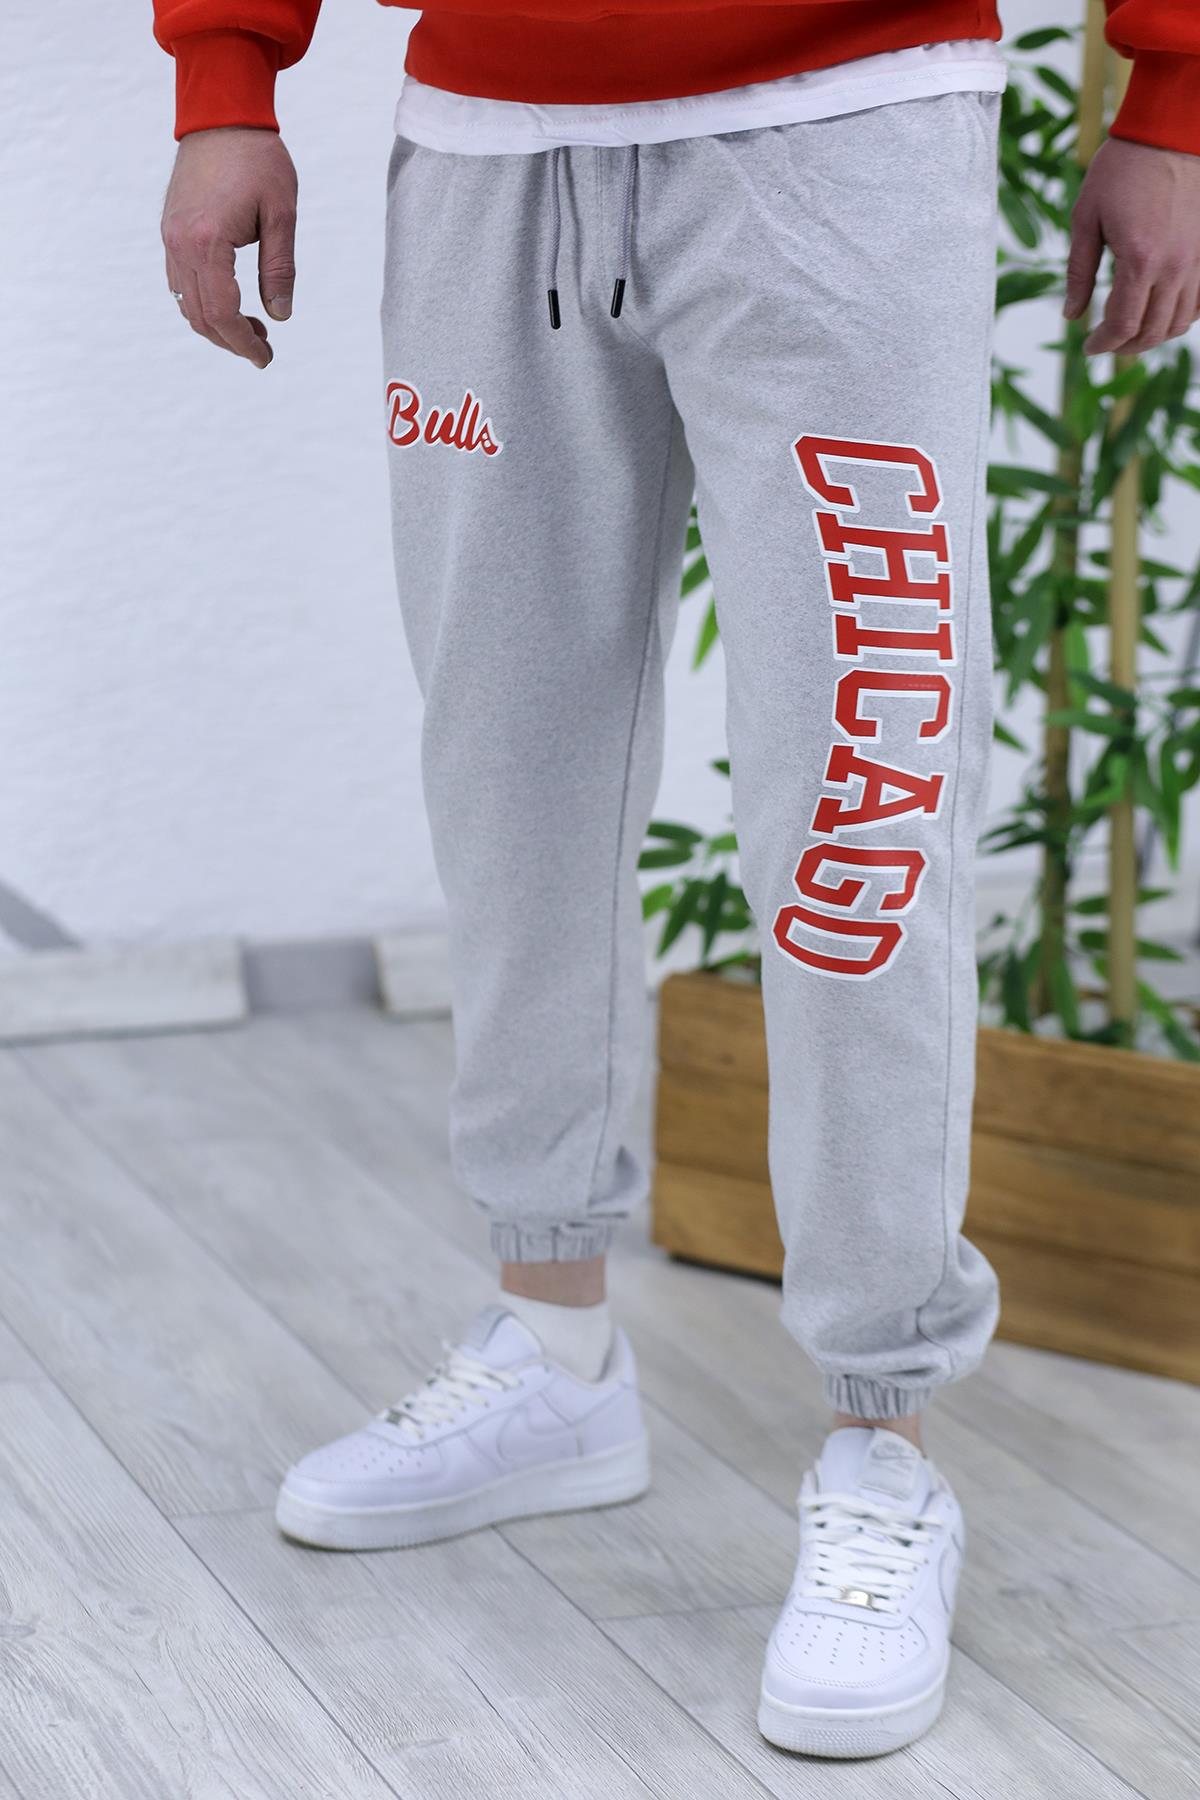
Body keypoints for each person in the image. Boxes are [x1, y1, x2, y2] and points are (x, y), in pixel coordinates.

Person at [152, 0, 1200, 1759]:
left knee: (861, 795)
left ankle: (884, 1445)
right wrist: (224, 73)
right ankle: (552, 1350)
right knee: (510, 779)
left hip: (848, 117)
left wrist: (1172, 89)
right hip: (487, 141)